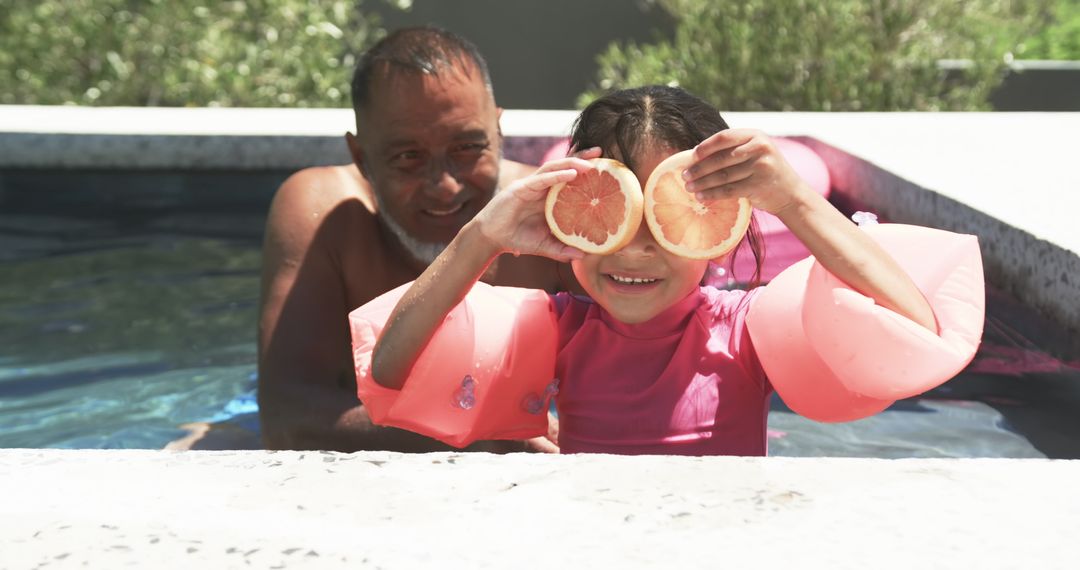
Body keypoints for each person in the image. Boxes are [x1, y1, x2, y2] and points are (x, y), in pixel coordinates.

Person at [367, 85, 937, 455]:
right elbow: (392, 370)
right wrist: (482, 237)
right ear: (576, 218)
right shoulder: (560, 332)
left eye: (666, 219)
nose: (635, 250)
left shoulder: (745, 332)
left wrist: (794, 202)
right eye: (614, 214)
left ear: (718, 225)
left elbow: (914, 339)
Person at [254, 27, 565, 452]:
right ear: (362, 158)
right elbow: (287, 421)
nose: (445, 187)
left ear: (498, 133)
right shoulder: (328, 213)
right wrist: (480, 433)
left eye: (467, 148)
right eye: (409, 157)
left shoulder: (551, 215)